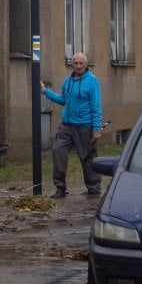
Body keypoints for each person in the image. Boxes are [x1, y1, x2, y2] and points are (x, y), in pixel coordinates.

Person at [39, 52, 103, 198]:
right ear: (72, 64)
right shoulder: (68, 80)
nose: (79, 66)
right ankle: (60, 188)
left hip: (84, 126)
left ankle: (94, 190)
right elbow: (63, 100)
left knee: (87, 158)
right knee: (57, 150)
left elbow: (96, 106)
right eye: (76, 63)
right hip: (66, 126)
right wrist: (45, 91)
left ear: (86, 65)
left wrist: (96, 129)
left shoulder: (92, 81)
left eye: (81, 63)